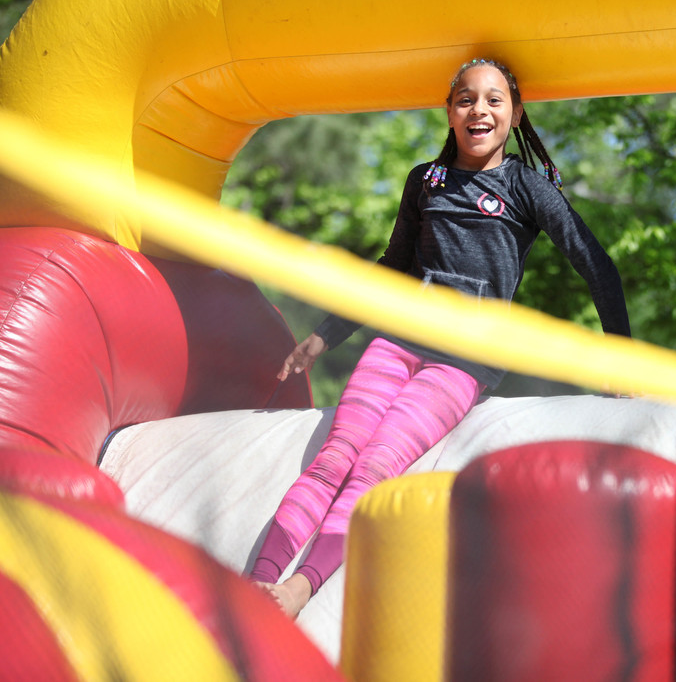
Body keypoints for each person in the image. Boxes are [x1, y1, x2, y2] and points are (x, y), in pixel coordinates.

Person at [249, 57, 632, 618]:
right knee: (335, 456)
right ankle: (257, 581)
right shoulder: (425, 181)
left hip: (464, 362)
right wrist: (325, 336)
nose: (480, 109)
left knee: (376, 465)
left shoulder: (524, 186)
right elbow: (392, 266)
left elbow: (594, 261)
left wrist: (620, 355)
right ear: (450, 112)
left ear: (516, 114)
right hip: (398, 341)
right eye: (467, 99)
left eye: (495, 99)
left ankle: (298, 589)